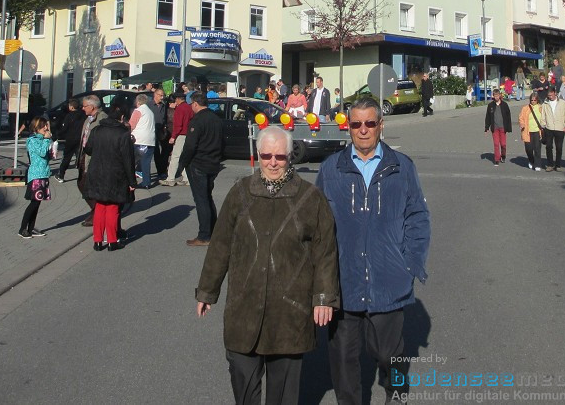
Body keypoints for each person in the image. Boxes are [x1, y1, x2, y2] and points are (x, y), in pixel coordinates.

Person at [196, 127, 339, 405]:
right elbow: (221, 245)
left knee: (284, 394)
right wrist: (206, 291)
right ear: (258, 155)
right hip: (244, 307)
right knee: (243, 386)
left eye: (280, 156)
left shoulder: (310, 198)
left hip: (289, 311)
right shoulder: (240, 193)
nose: (273, 162)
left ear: (290, 156)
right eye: (266, 155)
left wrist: (323, 297)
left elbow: (325, 251)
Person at [315, 97, 430, 405]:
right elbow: (317, 226)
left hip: (389, 280)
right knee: (343, 361)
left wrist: (411, 264)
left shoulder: (401, 167)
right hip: (344, 282)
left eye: (369, 123)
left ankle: (396, 393)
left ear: (381, 125)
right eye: (356, 124)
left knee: (388, 355)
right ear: (348, 127)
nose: (363, 130)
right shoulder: (331, 169)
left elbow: (417, 217)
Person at [82, 106, 134, 251]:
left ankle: (97, 241)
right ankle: (112, 240)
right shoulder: (123, 133)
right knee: (113, 206)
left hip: (97, 171)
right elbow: (128, 159)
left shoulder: (97, 130)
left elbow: (88, 149)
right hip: (116, 174)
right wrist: (132, 181)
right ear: (122, 118)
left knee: (99, 206)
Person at [180, 94, 224, 246]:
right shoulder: (216, 119)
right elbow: (222, 142)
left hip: (198, 163)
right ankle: (214, 231)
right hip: (213, 163)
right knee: (207, 197)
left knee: (201, 199)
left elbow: (190, 145)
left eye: (192, 104)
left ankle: (204, 235)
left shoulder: (197, 120)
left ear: (196, 104)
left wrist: (182, 163)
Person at [19, 116, 53, 238]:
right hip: (36, 174)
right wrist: (46, 140)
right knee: (33, 203)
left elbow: (47, 155)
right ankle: (22, 229)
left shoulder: (44, 139)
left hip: (44, 173)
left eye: (46, 125)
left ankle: (31, 228)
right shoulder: (33, 140)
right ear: (36, 127)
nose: (46, 128)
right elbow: (42, 152)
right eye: (43, 126)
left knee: (37, 203)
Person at [77, 95, 108, 227]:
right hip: (84, 155)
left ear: (92, 106)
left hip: (94, 157)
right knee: (81, 183)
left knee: (88, 185)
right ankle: (96, 210)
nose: (83, 108)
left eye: (85, 106)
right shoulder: (89, 118)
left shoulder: (102, 118)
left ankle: (97, 212)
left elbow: (103, 140)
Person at [164, 91, 193, 187]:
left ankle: (170, 179)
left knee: (175, 157)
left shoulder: (179, 109)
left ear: (177, 99)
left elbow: (178, 125)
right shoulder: (189, 108)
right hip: (188, 135)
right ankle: (187, 178)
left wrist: (173, 136)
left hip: (181, 135)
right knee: (184, 157)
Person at [129, 93, 156, 189]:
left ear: (138, 101)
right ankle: (146, 182)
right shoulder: (150, 112)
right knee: (146, 162)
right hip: (150, 140)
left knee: (132, 161)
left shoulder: (138, 111)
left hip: (139, 140)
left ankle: (132, 181)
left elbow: (131, 125)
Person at [540, 86, 565, 172]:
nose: (550, 97)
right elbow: (543, 115)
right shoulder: (545, 104)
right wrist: (543, 125)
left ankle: (558, 164)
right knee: (549, 146)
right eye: (548, 95)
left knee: (559, 147)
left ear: (555, 93)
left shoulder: (562, 103)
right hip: (549, 128)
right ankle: (550, 164)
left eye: (551, 95)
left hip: (560, 128)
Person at [55, 99, 85, 182]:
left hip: (70, 139)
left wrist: (58, 135)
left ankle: (61, 175)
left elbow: (64, 128)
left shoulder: (69, 116)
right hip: (80, 139)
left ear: (71, 107)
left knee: (66, 158)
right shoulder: (83, 114)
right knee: (80, 158)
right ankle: (83, 176)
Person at [484, 88, 512, 165]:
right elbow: (488, 117)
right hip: (495, 128)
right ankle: (497, 159)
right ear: (493, 96)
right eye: (495, 96)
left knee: (503, 144)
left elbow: (508, 116)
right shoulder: (490, 105)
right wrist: (486, 127)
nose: (496, 97)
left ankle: (503, 155)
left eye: (497, 95)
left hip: (503, 127)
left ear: (500, 95)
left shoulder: (504, 105)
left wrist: (509, 127)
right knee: (496, 144)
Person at [518, 94, 544, 171]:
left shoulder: (541, 108)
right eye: (532, 100)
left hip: (537, 131)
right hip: (527, 131)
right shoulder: (525, 108)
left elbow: (544, 117)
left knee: (537, 148)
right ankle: (531, 160)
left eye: (534, 100)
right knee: (528, 149)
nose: (533, 101)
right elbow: (521, 118)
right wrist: (522, 124)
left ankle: (537, 164)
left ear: (537, 100)